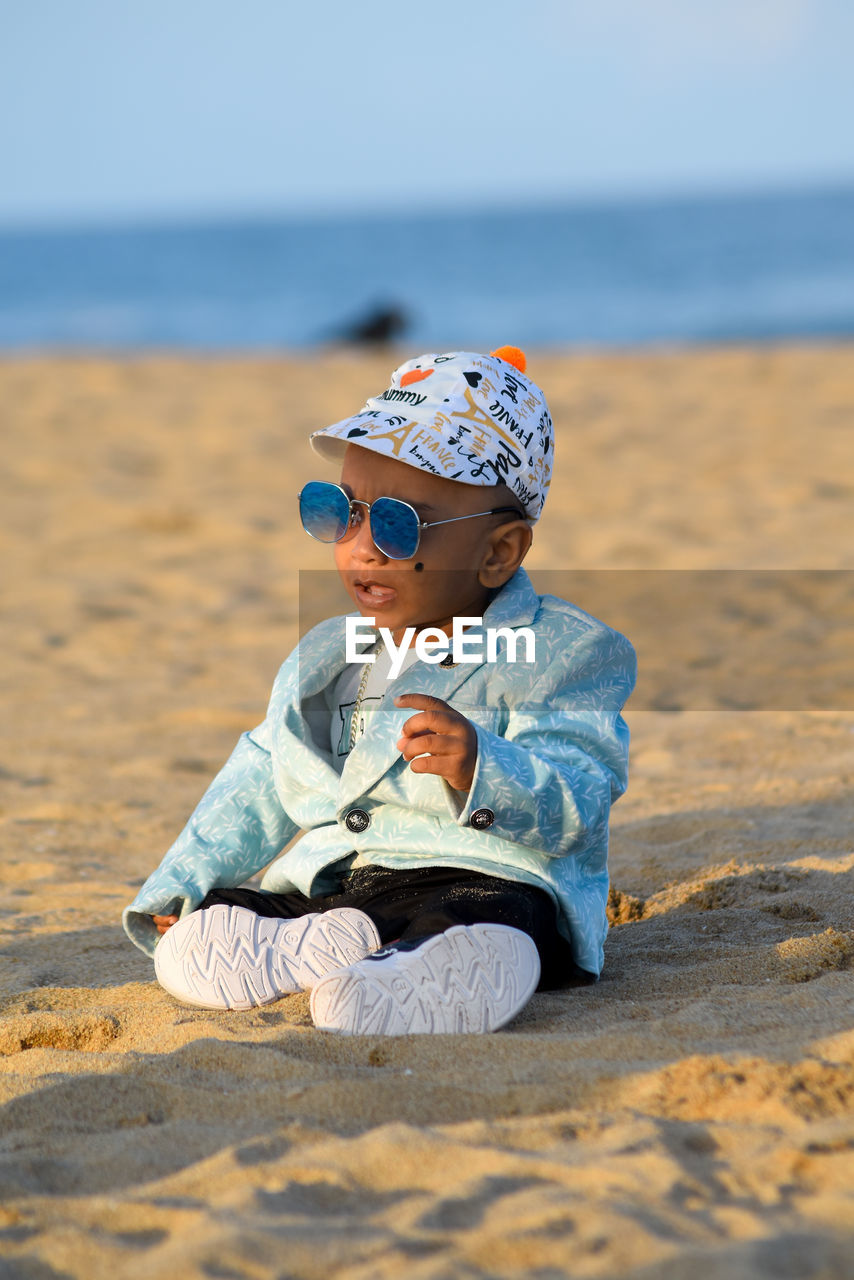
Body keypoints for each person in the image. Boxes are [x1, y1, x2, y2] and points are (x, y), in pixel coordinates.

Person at [122, 346, 636, 1035]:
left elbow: (580, 798)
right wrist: (181, 885)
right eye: (341, 510)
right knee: (222, 912)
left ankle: (430, 967)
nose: (361, 546)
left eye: (398, 524)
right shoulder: (331, 654)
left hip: (486, 877)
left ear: (498, 552)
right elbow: (261, 775)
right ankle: (331, 949)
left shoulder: (562, 650)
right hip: (353, 880)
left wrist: (482, 767)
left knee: (492, 917)